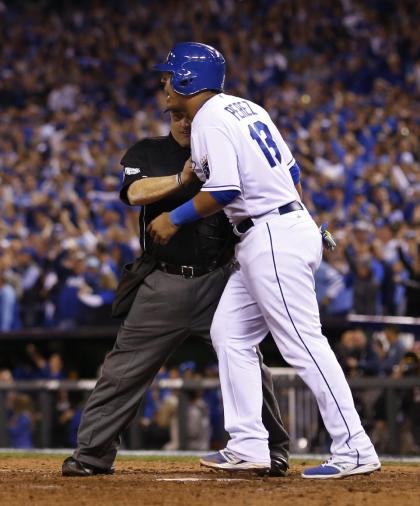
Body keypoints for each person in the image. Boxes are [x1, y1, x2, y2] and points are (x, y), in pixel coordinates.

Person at [150, 42, 381, 478]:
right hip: (278, 229)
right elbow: (291, 173)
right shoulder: (245, 108)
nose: (164, 83)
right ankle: (249, 445)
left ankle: (355, 447)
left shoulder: (210, 118)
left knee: (302, 343)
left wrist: (173, 218)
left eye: (169, 75)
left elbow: (225, 191)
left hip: (271, 235)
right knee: (229, 334)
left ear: (186, 79)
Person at [61, 108, 289, 477]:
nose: (185, 122)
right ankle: (91, 454)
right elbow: (135, 192)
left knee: (246, 364)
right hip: (163, 282)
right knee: (122, 370)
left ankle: (272, 450)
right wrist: (183, 177)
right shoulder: (149, 151)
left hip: (220, 278)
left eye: (191, 115)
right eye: (178, 116)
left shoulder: (223, 147)